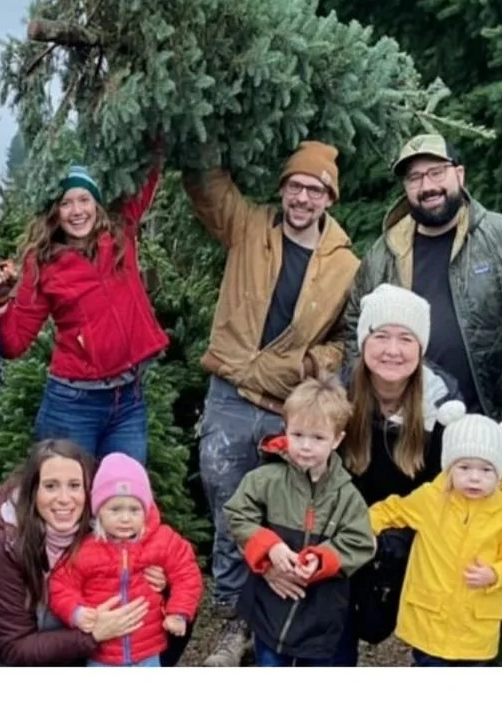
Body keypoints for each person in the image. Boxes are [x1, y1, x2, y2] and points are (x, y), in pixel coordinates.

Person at [181, 140, 361, 667]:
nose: (303, 197)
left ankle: (280, 630)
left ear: (329, 197)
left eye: (315, 189)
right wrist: (204, 119)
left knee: (287, 513)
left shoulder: (346, 264)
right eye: (295, 186)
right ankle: (233, 624)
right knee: (228, 508)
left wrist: (308, 368)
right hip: (231, 394)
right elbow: (205, 181)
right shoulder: (249, 226)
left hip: (291, 406)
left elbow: (347, 339)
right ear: (282, 189)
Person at [346, 133, 502, 421]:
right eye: (414, 178)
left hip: (494, 425)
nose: (427, 186)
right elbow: (353, 331)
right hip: (412, 429)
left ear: (459, 174)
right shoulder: (382, 256)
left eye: (436, 172)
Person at [0, 158, 169, 462]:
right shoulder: (41, 263)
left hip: (128, 399)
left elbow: (146, 167)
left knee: (125, 499)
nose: (77, 211)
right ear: (55, 212)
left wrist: (153, 130)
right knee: (68, 501)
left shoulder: (121, 235)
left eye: (84, 199)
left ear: (97, 204)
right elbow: (14, 343)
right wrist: (0, 301)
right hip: (74, 403)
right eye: (66, 203)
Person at [0, 440, 150, 666]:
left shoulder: (103, 528)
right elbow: (15, 647)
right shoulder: (3, 543)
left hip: (80, 651)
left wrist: (156, 575)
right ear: (33, 492)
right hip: (12, 661)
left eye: (74, 485)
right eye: (51, 486)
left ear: (88, 491)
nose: (63, 498)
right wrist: (93, 635)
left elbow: (146, 515)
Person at [338, 284, 460, 660]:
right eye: (381, 336)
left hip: (416, 534)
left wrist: (398, 541)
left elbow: (448, 489)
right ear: (363, 341)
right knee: (334, 625)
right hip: (347, 529)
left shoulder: (444, 405)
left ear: (421, 347)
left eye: (406, 338)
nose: (393, 350)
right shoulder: (337, 396)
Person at [222, 375, 375, 667]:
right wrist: (270, 549)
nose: (306, 446)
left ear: (337, 440)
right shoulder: (264, 479)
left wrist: (322, 560)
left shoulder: (347, 495)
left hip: (320, 610)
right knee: (269, 663)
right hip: (270, 605)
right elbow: (237, 515)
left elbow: (360, 541)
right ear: (286, 429)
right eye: (298, 435)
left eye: (318, 438)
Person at [367, 411, 502, 666]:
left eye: (486, 470)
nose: (474, 477)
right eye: (464, 467)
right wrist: (365, 530)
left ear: (499, 473)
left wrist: (495, 574)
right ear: (449, 467)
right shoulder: (431, 499)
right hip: (430, 622)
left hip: (475, 630)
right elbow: (392, 510)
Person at [47, 452, 204, 666]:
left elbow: (187, 573)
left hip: (149, 652)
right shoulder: (86, 548)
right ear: (99, 510)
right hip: (102, 655)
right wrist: (77, 612)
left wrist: (178, 612)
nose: (125, 518)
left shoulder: (162, 540)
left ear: (146, 509)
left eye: (134, 509)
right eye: (115, 509)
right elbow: (61, 585)